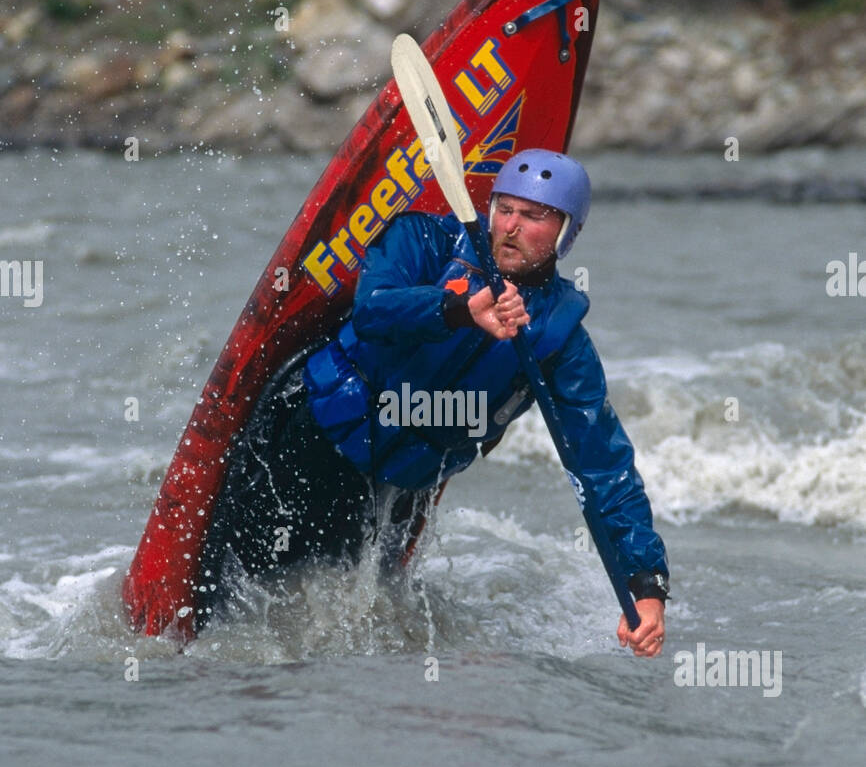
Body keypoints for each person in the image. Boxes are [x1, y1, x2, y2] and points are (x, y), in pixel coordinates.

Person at [198, 150, 669, 656]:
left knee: (326, 627)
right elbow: (374, 310)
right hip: (313, 437)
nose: (511, 226)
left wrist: (645, 586)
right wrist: (459, 310)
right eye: (505, 209)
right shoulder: (423, 240)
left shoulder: (560, 339)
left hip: (399, 488)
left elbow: (601, 465)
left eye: (533, 217)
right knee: (232, 601)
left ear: (565, 233)